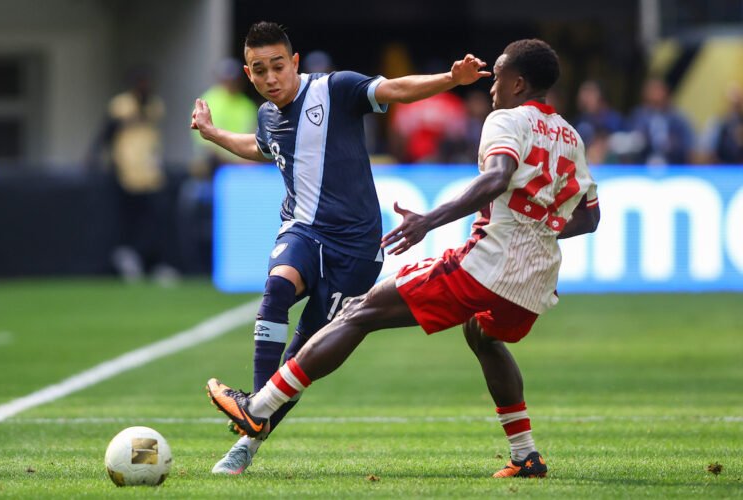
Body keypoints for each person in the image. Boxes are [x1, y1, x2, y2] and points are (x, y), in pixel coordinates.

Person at [208, 39, 601, 479]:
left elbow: (497, 177)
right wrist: (536, 232)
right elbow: (589, 217)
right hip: (537, 278)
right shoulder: (571, 136)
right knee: (483, 335)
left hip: (487, 264)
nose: (493, 88)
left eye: (501, 76)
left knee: (360, 312)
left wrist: (428, 221)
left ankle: (257, 406)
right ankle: (526, 454)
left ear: (519, 83)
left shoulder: (505, 120)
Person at [191, 21, 491, 475]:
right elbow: (260, 147)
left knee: (302, 356)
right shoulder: (268, 115)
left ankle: (251, 434)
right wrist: (214, 135)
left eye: (277, 66)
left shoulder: (336, 89)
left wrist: (451, 80)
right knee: (275, 291)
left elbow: (395, 89)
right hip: (302, 230)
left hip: (355, 249)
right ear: (249, 75)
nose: (270, 78)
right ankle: (254, 410)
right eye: (258, 70)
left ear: (293, 62)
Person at [90, 66, 176, 284]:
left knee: (156, 220)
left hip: (150, 172)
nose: (145, 87)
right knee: (129, 220)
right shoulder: (121, 106)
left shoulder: (155, 105)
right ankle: (129, 262)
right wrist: (94, 156)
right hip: (127, 171)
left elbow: (152, 137)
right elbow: (107, 132)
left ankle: (156, 264)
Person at [192, 58, 258, 176]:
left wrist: (245, 160)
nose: (230, 83)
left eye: (234, 79)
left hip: (242, 162)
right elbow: (205, 140)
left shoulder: (247, 105)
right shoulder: (208, 100)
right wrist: (233, 161)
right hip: (216, 163)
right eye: (227, 79)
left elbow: (253, 135)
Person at [627, 77, 694, 165]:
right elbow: (628, 142)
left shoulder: (678, 119)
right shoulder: (638, 117)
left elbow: (689, 146)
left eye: (658, 90)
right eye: (651, 90)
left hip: (674, 167)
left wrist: (675, 144)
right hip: (642, 166)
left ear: (666, 92)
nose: (655, 94)